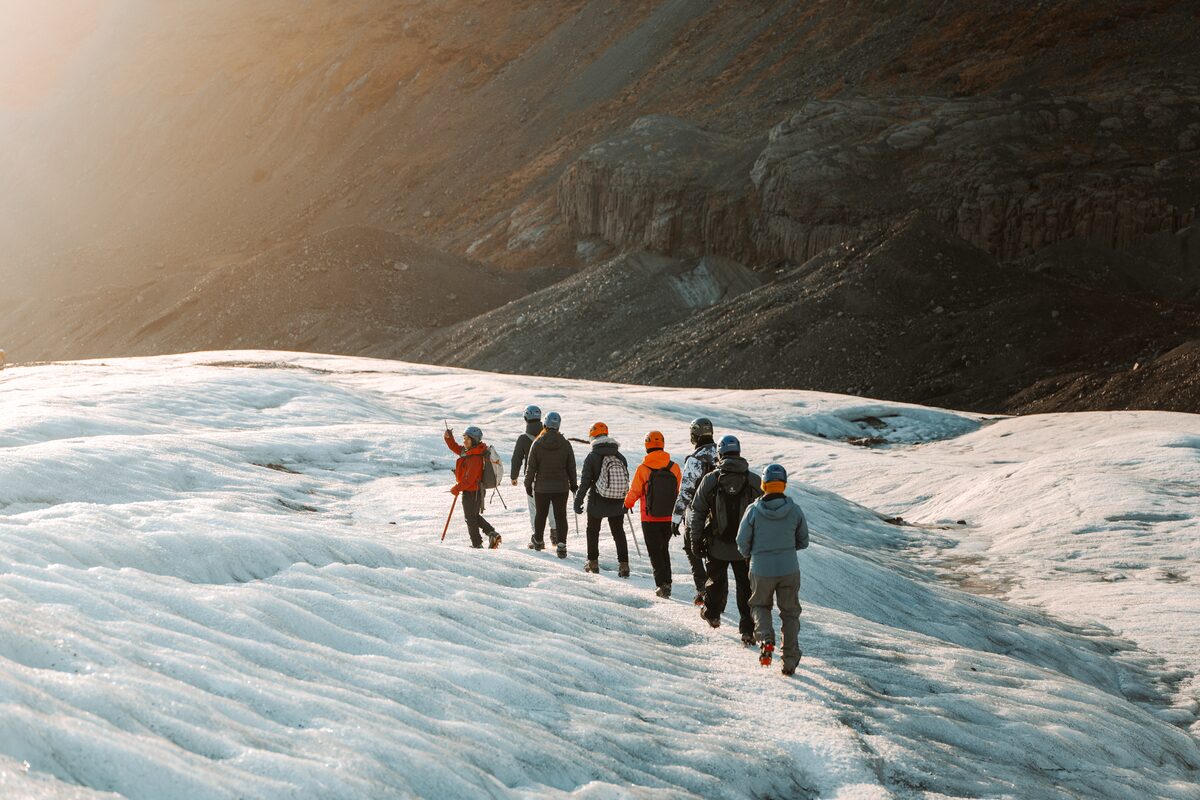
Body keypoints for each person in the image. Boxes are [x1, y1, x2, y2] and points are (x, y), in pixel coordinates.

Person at [736, 463, 809, 676]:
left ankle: (766, 638)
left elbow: (741, 541)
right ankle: (789, 660)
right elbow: (803, 541)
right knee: (790, 614)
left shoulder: (753, 510)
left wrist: (752, 553)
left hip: (761, 568)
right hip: (789, 569)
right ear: (783, 485)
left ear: (764, 485)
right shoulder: (794, 509)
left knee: (759, 605)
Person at [689, 435, 761, 644]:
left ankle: (712, 615)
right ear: (738, 452)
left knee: (715, 581)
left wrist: (695, 539)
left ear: (719, 454)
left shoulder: (711, 480)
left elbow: (698, 511)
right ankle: (747, 630)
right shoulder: (754, 480)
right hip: (745, 548)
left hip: (717, 545)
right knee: (746, 587)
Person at [624, 431, 681, 598]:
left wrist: (627, 504)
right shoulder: (674, 467)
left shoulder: (644, 468)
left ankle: (661, 585)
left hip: (649, 518)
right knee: (664, 549)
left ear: (647, 445)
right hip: (669, 517)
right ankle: (668, 583)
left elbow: (635, 490)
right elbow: (679, 491)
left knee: (654, 551)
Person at [574, 422, 631, 577]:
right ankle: (624, 565)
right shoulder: (620, 456)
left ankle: (593, 563)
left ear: (593, 437)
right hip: (618, 501)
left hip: (597, 501)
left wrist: (578, 500)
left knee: (593, 531)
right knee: (618, 532)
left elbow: (586, 482)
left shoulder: (592, 457)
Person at [673, 417, 718, 606]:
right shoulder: (721, 454)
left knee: (691, 547)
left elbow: (686, 491)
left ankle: (703, 589)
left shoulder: (695, 459)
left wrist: (676, 517)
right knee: (716, 553)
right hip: (720, 512)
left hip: (697, 513)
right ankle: (716, 589)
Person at [524, 411, 577, 558]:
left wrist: (528, 484)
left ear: (545, 424)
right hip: (561, 488)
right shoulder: (565, 444)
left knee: (541, 514)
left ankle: (539, 541)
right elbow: (571, 467)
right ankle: (561, 545)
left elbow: (531, 467)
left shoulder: (537, 443)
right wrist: (573, 484)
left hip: (542, 487)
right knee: (561, 516)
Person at [443, 425, 501, 549]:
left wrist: (457, 488)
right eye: (464, 438)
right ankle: (492, 534)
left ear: (474, 440)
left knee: (470, 519)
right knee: (473, 517)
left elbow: (469, 480)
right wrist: (449, 438)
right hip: (473, 491)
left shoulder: (475, 457)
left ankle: (477, 544)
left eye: (467, 439)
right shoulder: (469, 451)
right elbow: (454, 447)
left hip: (472, 492)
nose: (464, 441)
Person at [511, 405, 556, 544]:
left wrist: (514, 476)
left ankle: (537, 538)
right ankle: (555, 535)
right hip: (552, 478)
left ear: (525, 418)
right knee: (551, 506)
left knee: (534, 509)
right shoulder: (550, 435)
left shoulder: (523, 439)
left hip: (533, 479)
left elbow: (516, 459)